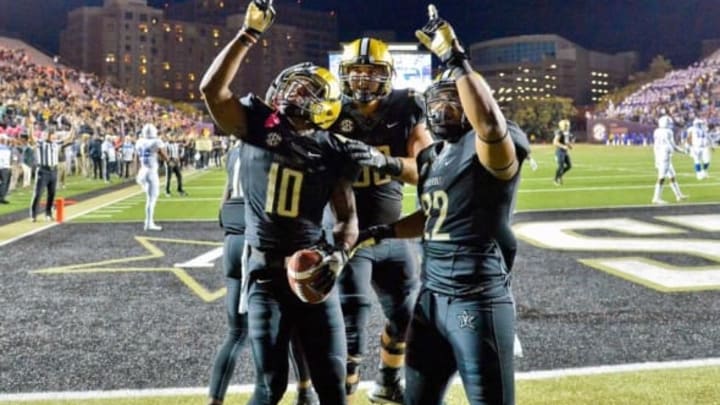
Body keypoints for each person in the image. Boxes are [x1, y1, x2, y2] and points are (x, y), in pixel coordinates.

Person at [354, 6, 520, 403]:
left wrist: (456, 58)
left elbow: (492, 126)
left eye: (453, 102)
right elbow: (433, 215)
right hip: (432, 298)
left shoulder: (488, 148)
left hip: (476, 298)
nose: (442, 109)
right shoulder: (433, 156)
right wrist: (386, 231)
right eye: (437, 102)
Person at [199, 1, 359, 403]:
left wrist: (339, 254)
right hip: (266, 274)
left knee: (331, 384)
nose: (293, 92)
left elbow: (347, 218)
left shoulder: (332, 149)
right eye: (293, 85)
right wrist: (247, 35)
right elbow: (211, 91)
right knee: (270, 384)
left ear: (325, 106)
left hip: (314, 269)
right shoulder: (258, 124)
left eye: (307, 91)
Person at [328, 36, 433, 403]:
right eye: (354, 73)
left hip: (391, 234)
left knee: (405, 316)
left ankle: (387, 382)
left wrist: (383, 161)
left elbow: (426, 170)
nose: (361, 81)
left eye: (369, 73)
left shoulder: (406, 107)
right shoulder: (330, 110)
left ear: (385, 75)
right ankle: (339, 389)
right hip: (348, 234)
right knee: (351, 326)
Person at [29, 124, 76, 221]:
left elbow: (68, 138)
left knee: (52, 194)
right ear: (48, 135)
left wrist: (72, 128)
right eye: (52, 134)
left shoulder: (56, 143)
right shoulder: (41, 143)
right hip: (43, 170)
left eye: (54, 134)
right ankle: (33, 214)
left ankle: (48, 214)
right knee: (38, 193)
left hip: (54, 170)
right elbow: (32, 137)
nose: (54, 136)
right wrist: (30, 127)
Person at [135, 123, 168, 231]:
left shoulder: (139, 141)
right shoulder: (156, 141)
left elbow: (136, 157)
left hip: (142, 171)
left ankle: (148, 222)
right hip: (151, 172)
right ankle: (149, 223)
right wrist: (169, 160)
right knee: (151, 199)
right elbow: (164, 156)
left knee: (150, 195)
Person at [652, 115, 687, 204]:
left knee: (672, 176)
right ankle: (656, 198)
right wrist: (683, 151)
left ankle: (679, 195)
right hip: (665, 156)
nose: (670, 125)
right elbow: (673, 146)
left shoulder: (656, 131)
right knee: (661, 177)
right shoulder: (668, 131)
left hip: (659, 155)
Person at [552, 118, 573, 185]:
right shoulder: (560, 132)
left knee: (569, 166)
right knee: (561, 166)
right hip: (560, 151)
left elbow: (566, 141)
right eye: (566, 125)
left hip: (565, 152)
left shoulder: (566, 132)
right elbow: (555, 142)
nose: (567, 126)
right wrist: (563, 146)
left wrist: (569, 145)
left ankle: (559, 176)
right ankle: (555, 179)